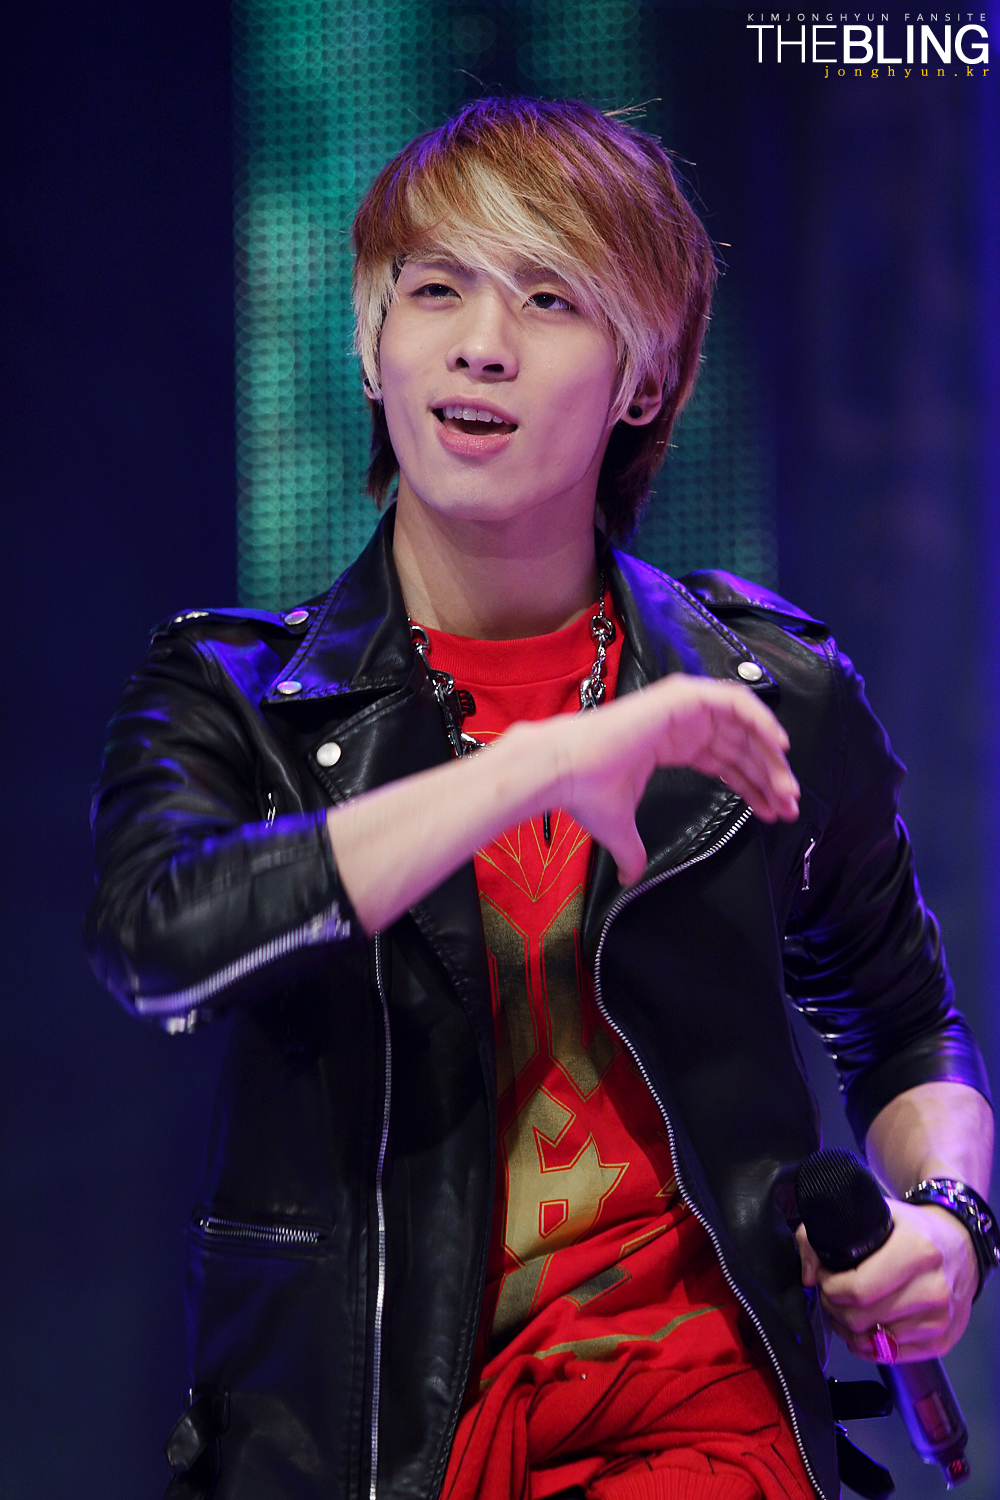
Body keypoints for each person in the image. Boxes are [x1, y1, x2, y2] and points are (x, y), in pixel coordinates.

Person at [86, 97, 995, 1500]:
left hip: (696, 1420)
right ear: (370, 343)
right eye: (434, 289)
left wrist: (949, 1221)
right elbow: (155, 937)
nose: (482, 343)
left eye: (551, 297)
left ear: (644, 379)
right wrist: (531, 768)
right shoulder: (237, 693)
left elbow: (902, 1021)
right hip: (369, 1449)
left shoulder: (769, 690)